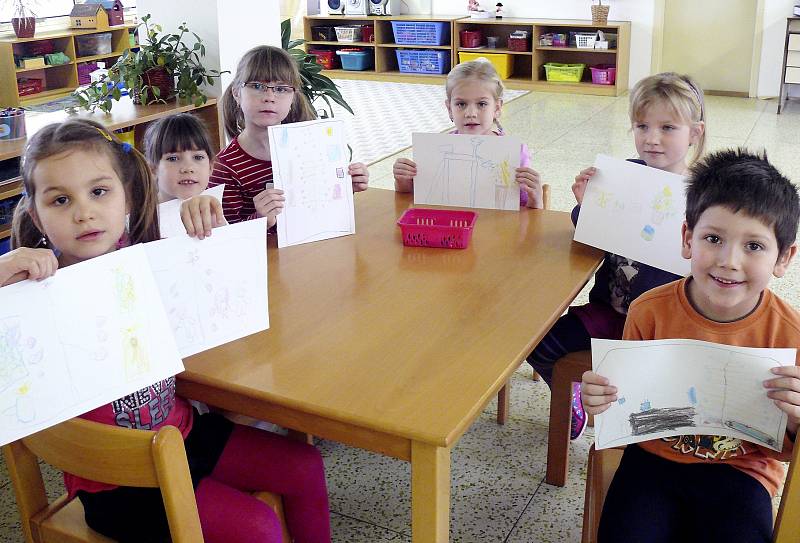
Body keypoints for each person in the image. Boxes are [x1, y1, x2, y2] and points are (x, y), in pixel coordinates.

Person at [8, 119, 332, 543]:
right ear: (36, 215)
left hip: (181, 434)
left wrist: (195, 214)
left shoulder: (144, 255)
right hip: (113, 483)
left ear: (126, 197)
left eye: (99, 192)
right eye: (61, 200)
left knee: (304, 465)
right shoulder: (27, 292)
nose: (84, 211)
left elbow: (214, 290)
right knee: (256, 527)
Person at [582, 148, 800, 542]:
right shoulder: (648, 310)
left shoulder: (790, 333)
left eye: (754, 246)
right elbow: (625, 411)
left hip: (744, 470)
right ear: (687, 238)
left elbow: (786, 445)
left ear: (784, 258)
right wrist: (602, 399)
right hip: (652, 461)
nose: (728, 261)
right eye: (713, 238)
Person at [528, 72, 706, 440]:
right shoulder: (624, 175)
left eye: (668, 128)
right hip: (609, 312)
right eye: (642, 126)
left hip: (665, 329)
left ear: (695, 133)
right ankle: (570, 397)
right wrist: (585, 205)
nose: (651, 139)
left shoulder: (705, 196)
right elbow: (588, 234)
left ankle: (641, 436)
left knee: (654, 399)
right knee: (536, 344)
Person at [209, 45, 368, 227]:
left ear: (292, 98)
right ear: (237, 93)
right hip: (266, 254)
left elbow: (322, 202)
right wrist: (259, 220)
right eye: (258, 86)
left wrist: (348, 186)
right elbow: (224, 238)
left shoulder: (310, 148)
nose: (269, 97)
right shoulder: (225, 168)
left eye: (281, 89)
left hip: (315, 247)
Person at [393, 58, 543, 209]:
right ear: (449, 109)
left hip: (498, 228)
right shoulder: (438, 149)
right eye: (461, 104)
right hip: (450, 227)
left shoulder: (516, 152)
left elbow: (526, 211)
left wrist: (536, 197)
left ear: (497, 108)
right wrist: (402, 180)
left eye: (482, 104)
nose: (470, 113)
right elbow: (413, 198)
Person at [143, 112, 225, 239]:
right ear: (153, 169)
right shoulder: (141, 219)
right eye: (173, 158)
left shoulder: (213, 208)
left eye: (198, 157)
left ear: (210, 167)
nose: (188, 168)